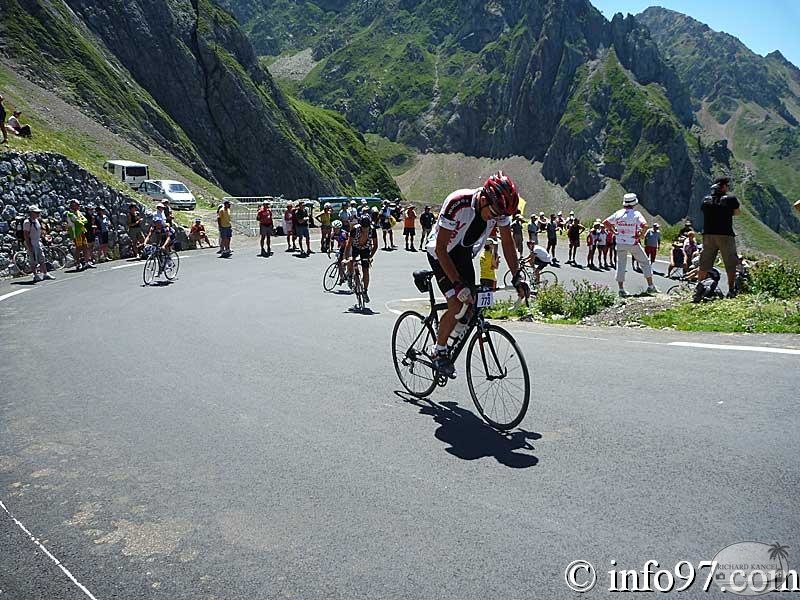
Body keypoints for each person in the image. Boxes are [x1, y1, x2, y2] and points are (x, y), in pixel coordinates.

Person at [426, 171, 523, 378]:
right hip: (441, 253)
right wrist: (457, 285)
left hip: (462, 254)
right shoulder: (458, 202)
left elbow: (507, 242)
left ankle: (449, 336)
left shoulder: (500, 211)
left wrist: (517, 276)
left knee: (470, 309)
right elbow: (442, 249)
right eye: (495, 212)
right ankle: (438, 350)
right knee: (456, 303)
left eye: (502, 216)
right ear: (484, 198)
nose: (497, 218)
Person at [603, 193, 657, 296]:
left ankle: (621, 289)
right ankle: (650, 286)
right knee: (645, 262)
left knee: (621, 265)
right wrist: (641, 236)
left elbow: (606, 222)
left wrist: (613, 232)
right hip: (632, 242)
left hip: (620, 242)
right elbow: (645, 226)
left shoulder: (618, 213)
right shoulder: (636, 214)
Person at [696, 176, 741, 299]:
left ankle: (699, 287)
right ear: (723, 187)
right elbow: (737, 212)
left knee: (705, 262)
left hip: (708, 234)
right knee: (730, 263)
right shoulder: (731, 199)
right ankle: (731, 290)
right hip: (725, 234)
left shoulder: (706, 200)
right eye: (726, 185)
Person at [344, 215, 378, 304]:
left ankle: (365, 291)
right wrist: (346, 257)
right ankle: (350, 275)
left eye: (366, 228)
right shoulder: (355, 229)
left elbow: (375, 245)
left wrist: (370, 257)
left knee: (365, 270)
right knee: (351, 261)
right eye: (363, 228)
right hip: (355, 247)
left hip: (365, 249)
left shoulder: (372, 230)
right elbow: (349, 244)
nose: (365, 230)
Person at [23, 205, 53, 281]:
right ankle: (35, 275)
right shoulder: (27, 222)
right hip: (31, 243)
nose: (38, 214)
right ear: (31, 213)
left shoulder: (36, 220)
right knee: (33, 260)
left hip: (37, 242)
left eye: (38, 212)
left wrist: (44, 237)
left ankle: (45, 274)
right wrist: (29, 246)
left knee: (42, 258)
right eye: (36, 212)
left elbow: (40, 231)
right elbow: (26, 235)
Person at [64, 199, 92, 270]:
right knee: (78, 248)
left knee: (85, 246)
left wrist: (81, 221)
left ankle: (87, 262)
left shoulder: (78, 212)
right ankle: (77, 264)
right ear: (73, 205)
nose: (79, 206)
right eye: (77, 205)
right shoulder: (70, 214)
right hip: (76, 233)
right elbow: (78, 223)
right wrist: (81, 222)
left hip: (82, 231)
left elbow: (85, 220)